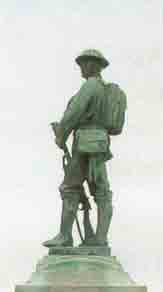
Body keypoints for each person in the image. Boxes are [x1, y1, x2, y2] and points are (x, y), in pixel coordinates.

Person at [44, 49, 114, 248]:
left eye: (84, 64)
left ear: (93, 65)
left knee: (70, 188)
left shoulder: (90, 86)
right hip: (99, 144)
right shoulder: (104, 89)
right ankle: (100, 239)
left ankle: (65, 236)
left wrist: (61, 134)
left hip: (84, 145)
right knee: (102, 192)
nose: (81, 68)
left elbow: (74, 113)